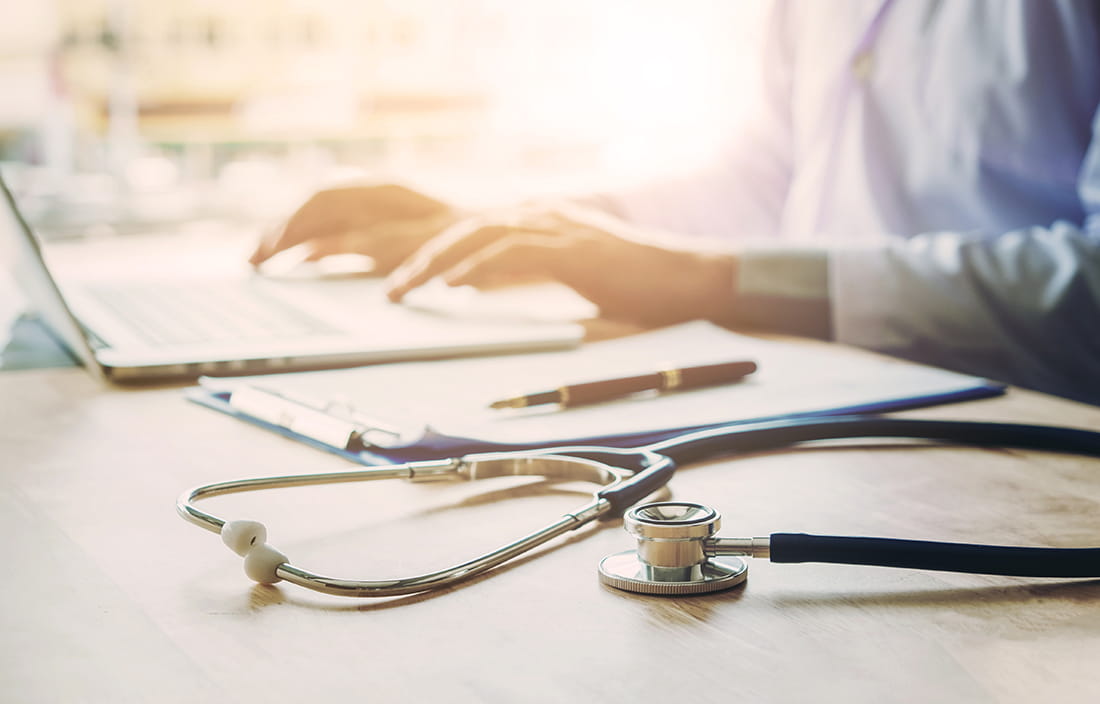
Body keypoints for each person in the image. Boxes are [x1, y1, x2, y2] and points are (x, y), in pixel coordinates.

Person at [249, 0, 1100, 406]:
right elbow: (766, 179)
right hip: (830, 405)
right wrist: (506, 228)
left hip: (1041, 449)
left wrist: (713, 280)